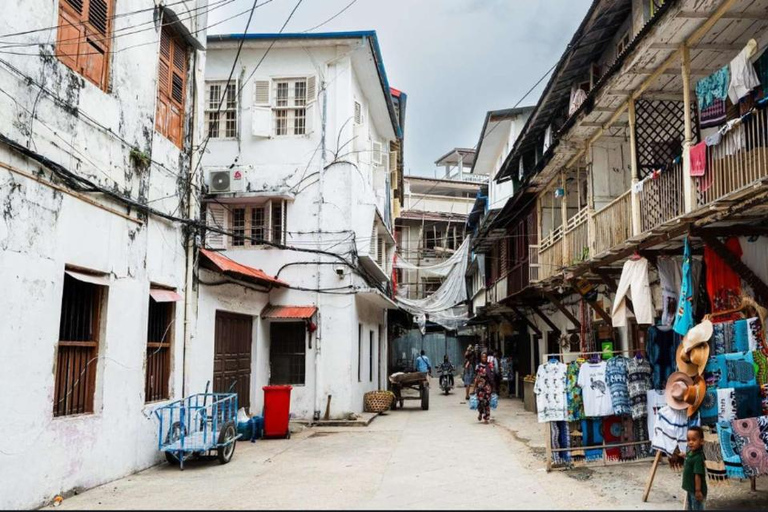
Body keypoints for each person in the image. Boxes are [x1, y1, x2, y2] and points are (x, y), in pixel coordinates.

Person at [682, 426, 707, 510]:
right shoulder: (690, 453)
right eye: (688, 440)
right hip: (690, 488)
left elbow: (697, 475)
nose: (690, 442)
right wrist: (683, 455)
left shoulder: (698, 458)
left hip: (696, 491)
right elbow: (688, 457)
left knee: (697, 508)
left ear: (701, 441)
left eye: (694, 440)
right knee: (690, 507)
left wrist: (698, 491)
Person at [473, 352, 493, 423]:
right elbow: (476, 377)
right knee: (481, 401)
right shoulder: (478, 366)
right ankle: (480, 413)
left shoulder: (489, 365)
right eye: (482, 357)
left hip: (487, 386)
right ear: (480, 358)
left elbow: (492, 376)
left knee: (487, 402)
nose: (484, 358)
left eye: (485, 357)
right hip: (480, 386)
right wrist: (474, 388)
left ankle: (486, 417)